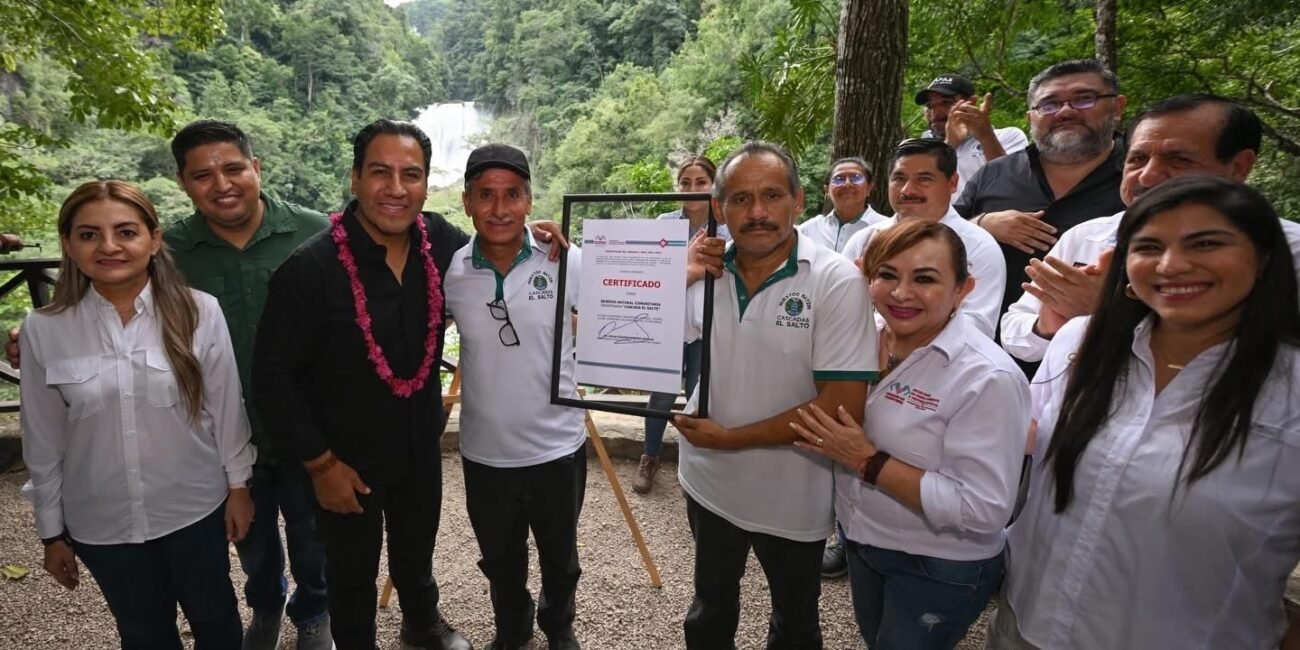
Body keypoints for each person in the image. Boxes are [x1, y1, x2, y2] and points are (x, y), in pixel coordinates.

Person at [987, 176, 1300, 649]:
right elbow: (1029, 437)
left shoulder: (1288, 391)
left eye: (1206, 243)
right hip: (1026, 625)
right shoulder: (1079, 342)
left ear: (1265, 258)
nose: (1172, 265)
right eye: (1149, 246)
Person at [251, 119, 473, 650]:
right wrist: (320, 465)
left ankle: (421, 624)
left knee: (416, 552)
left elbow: (495, 255)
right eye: (380, 172)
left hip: (419, 446)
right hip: (344, 460)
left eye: (410, 175)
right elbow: (273, 377)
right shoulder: (310, 269)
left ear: (426, 183)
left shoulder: (440, 242)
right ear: (355, 178)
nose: (396, 189)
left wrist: (540, 240)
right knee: (350, 574)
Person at [20, 180, 255, 649]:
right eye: (89, 235)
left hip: (193, 509)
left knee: (218, 623)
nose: (109, 246)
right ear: (68, 245)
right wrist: (51, 533)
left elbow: (227, 410)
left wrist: (239, 488)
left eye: (126, 232)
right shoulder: (43, 329)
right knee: (144, 635)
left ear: (154, 239)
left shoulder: (200, 312)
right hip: (101, 521)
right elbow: (43, 439)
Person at [671, 141, 878, 649]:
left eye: (771, 196)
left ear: (798, 200)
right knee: (709, 607)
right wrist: (683, 272)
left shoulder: (834, 280)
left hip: (792, 492)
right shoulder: (707, 272)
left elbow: (841, 407)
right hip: (708, 480)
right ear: (719, 208)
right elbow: (632, 333)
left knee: (795, 620)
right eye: (740, 199)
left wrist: (730, 439)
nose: (757, 212)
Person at [791, 219, 1029, 649]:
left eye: (925, 279)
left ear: (963, 289)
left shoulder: (987, 377)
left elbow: (984, 508)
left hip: (936, 564)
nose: (901, 293)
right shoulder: (861, 339)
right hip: (864, 542)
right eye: (887, 274)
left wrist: (866, 460)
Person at [999, 95, 1300, 363]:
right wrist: (1051, 322)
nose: (1148, 175)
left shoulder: (1289, 251)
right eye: (1138, 159)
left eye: (1179, 159)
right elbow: (1016, 334)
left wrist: (1110, 312)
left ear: (1238, 167)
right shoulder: (1086, 236)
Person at [443, 144, 586, 650]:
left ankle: (558, 626)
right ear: (466, 202)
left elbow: (629, 301)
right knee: (500, 559)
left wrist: (689, 271)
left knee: (561, 558)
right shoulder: (453, 271)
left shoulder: (565, 259)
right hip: (485, 454)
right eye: (485, 195)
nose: (499, 209)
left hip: (557, 449)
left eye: (511, 195)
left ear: (529, 201)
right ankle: (512, 627)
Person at [954, 59, 1127, 329]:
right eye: (1049, 104)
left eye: (1084, 99)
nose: (1065, 111)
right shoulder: (994, 173)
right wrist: (982, 223)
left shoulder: (1141, 176)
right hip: (981, 343)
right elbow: (942, 231)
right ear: (1030, 117)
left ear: (1117, 107)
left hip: (1107, 343)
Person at [842, 139, 1006, 337]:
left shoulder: (979, 247)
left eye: (924, 179)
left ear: (953, 183)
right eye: (899, 178)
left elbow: (977, 330)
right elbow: (839, 313)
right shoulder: (863, 241)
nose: (907, 190)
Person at [635, 154, 728, 495]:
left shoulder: (727, 228)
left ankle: (695, 465)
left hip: (708, 327)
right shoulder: (665, 224)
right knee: (660, 395)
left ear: (714, 186)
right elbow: (652, 273)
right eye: (685, 182)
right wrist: (688, 272)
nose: (692, 188)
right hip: (668, 326)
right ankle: (650, 455)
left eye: (701, 182)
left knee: (697, 396)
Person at [914, 73, 1028, 196]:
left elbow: (1014, 187)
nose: (936, 112)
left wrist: (986, 136)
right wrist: (948, 146)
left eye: (946, 102)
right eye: (929, 105)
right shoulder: (919, 148)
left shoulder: (1008, 137)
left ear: (971, 103)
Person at [796, 157, 886, 252]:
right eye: (839, 179)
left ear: (869, 188)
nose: (847, 184)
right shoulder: (809, 230)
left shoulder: (887, 228)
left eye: (856, 178)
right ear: (827, 190)